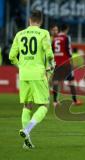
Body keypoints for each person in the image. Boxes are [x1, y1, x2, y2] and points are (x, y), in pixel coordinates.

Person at [9, 10, 55, 149]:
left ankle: (26, 142)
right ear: (40, 21)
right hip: (38, 73)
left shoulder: (19, 34)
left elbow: (11, 56)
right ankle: (27, 130)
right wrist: (50, 67)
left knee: (27, 105)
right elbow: (49, 54)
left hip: (24, 74)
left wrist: (21, 66)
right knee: (44, 105)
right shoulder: (44, 33)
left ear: (29, 19)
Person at [52, 24, 82, 107]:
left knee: (56, 81)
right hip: (65, 63)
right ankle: (75, 100)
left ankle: (54, 101)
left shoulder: (54, 38)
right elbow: (69, 50)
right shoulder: (66, 37)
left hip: (57, 63)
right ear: (66, 29)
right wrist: (70, 60)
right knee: (71, 81)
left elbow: (52, 51)